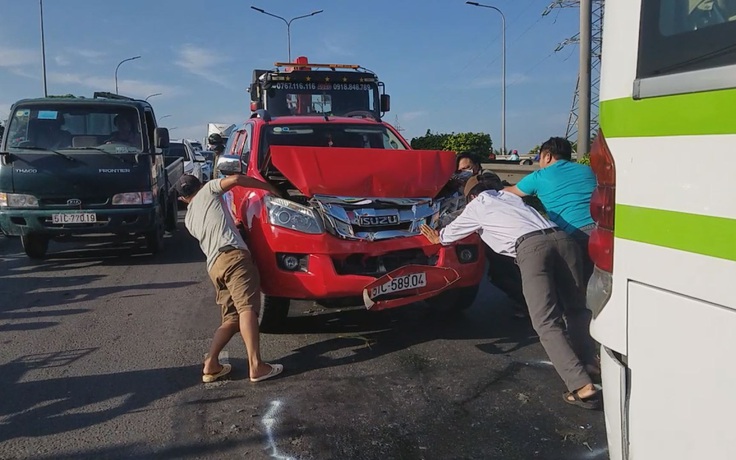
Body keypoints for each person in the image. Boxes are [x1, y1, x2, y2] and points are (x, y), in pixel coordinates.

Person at [420, 172, 601, 409]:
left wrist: (438, 237)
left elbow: (450, 234)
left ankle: (580, 385)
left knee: (545, 321)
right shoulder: (511, 198)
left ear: (472, 195)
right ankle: (590, 365)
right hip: (562, 240)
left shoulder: (478, 205)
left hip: (532, 249)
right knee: (576, 310)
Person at [176, 174, 284, 383]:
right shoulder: (209, 190)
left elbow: (216, 225)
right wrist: (270, 188)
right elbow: (235, 179)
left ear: (183, 199)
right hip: (233, 257)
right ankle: (256, 366)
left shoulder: (189, 219)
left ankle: (211, 364)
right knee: (247, 309)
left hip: (215, 266)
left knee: (231, 319)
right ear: (201, 184)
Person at [504, 137, 597, 282]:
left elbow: (509, 192)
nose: (539, 163)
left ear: (547, 156)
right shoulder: (588, 171)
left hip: (575, 235)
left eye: (539, 158)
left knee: (575, 288)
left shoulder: (539, 177)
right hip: (603, 232)